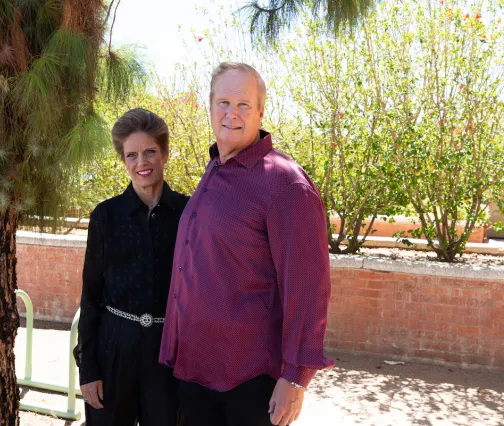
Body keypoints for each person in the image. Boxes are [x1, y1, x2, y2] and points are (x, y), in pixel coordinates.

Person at [159, 62, 334, 426]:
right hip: (197, 371)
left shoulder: (285, 184)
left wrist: (294, 378)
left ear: (260, 112)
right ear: (209, 107)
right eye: (223, 102)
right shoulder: (216, 169)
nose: (231, 114)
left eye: (243, 105)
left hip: (248, 381)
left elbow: (307, 288)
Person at [75, 108, 189, 426]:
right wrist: (88, 369)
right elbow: (91, 296)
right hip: (114, 350)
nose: (142, 163)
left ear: (164, 153)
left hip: (169, 354)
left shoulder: (189, 212)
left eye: (150, 151)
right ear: (124, 160)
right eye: (132, 154)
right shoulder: (105, 216)